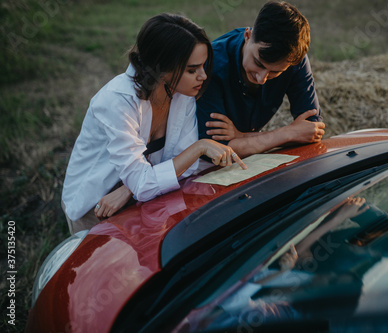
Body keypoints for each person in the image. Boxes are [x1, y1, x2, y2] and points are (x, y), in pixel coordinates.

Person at [62, 13, 246, 235]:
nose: (203, 76)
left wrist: (130, 189)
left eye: (203, 66)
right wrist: (199, 147)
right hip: (96, 204)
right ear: (162, 68)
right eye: (192, 70)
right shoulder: (116, 101)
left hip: (143, 200)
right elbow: (166, 169)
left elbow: (183, 169)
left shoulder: (182, 95)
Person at [196, 1, 326, 158]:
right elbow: (215, 151)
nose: (261, 78)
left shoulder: (293, 59)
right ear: (247, 35)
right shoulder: (210, 65)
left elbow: (311, 130)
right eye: (258, 63)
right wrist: (288, 133)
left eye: (275, 72)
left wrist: (242, 137)